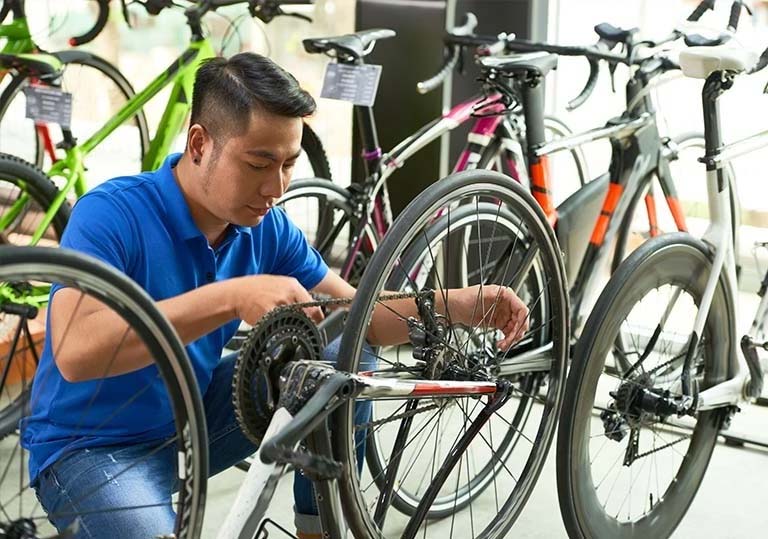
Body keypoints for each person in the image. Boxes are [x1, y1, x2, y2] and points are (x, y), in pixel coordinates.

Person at [21, 52, 529, 539]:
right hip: (88, 448)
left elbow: (361, 319)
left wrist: (455, 306)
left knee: (337, 361)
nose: (277, 186)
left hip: (194, 419)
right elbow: (75, 353)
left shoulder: (267, 227)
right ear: (199, 144)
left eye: (289, 164)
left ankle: (318, 530)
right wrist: (231, 296)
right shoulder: (112, 213)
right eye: (259, 163)